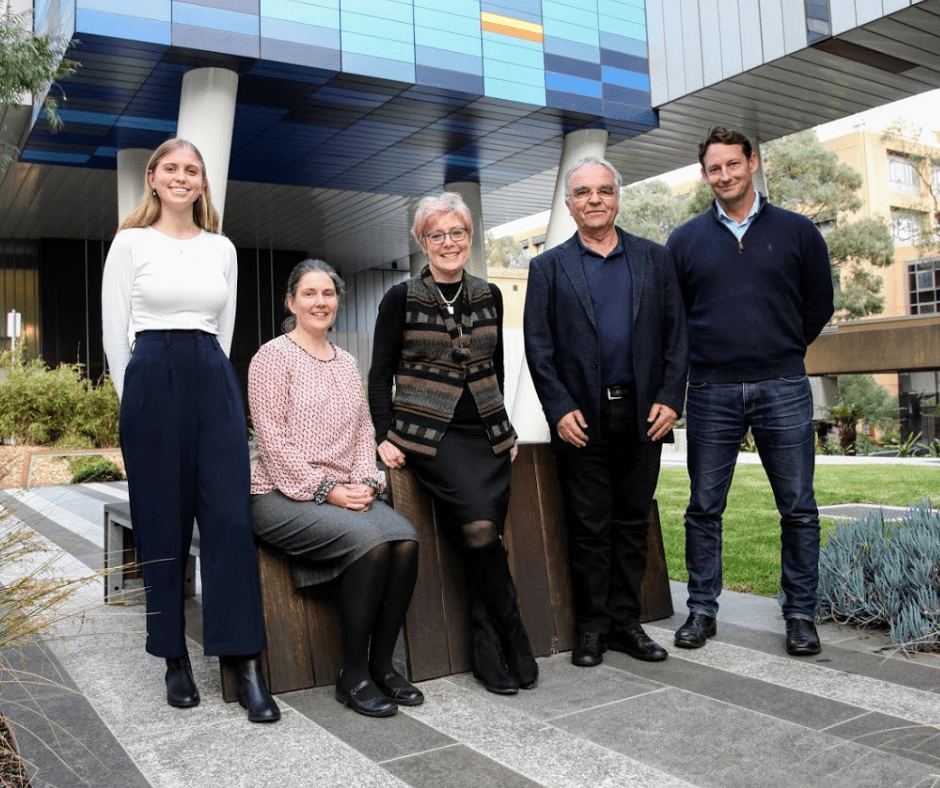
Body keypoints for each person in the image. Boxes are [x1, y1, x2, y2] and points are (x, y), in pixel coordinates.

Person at [101, 138, 279, 722]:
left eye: (192, 171)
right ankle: (173, 655)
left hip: (211, 374)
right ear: (152, 178)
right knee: (162, 521)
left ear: (203, 184)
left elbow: (223, 332)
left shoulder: (222, 248)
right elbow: (113, 335)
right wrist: (138, 407)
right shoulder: (130, 243)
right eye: (171, 169)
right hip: (151, 376)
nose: (182, 178)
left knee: (228, 518)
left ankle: (244, 658)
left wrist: (213, 385)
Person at [666, 127, 834, 657]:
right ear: (704, 174)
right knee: (703, 507)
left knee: (799, 508)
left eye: (733, 165)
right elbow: (675, 319)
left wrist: (781, 348)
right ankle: (701, 610)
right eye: (714, 169)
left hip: (783, 383)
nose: (725, 176)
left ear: (753, 163)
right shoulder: (685, 241)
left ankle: (801, 615)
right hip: (711, 388)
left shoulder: (798, 231)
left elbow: (819, 304)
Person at [368, 192, 538, 695]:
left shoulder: (489, 294)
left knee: (481, 541)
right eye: (436, 234)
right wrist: (384, 435)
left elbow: (496, 369)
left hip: (486, 437)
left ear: (469, 238)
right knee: (482, 531)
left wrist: (502, 429)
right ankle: (514, 633)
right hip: (431, 437)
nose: (448, 243)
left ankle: (489, 656)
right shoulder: (401, 298)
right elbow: (380, 374)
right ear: (422, 242)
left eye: (457, 233)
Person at [524, 155, 688, 668]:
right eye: (583, 193)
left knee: (632, 523)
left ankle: (625, 623)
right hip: (582, 421)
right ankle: (591, 627)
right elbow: (538, 346)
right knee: (589, 526)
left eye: (604, 190)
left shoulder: (655, 260)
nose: (595, 199)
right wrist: (559, 409)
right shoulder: (547, 268)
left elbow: (678, 337)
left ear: (617, 197)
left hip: (644, 414)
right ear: (569, 204)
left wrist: (670, 397)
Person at [248, 259, 421, 718]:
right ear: (291, 302)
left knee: (404, 540)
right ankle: (352, 674)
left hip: (343, 492)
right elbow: (273, 441)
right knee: (372, 543)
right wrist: (327, 489)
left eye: (328, 294)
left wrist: (366, 483)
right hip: (278, 495)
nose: (320, 302)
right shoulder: (271, 357)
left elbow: (364, 431)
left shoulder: (346, 362)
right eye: (309, 293)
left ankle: (382, 665)